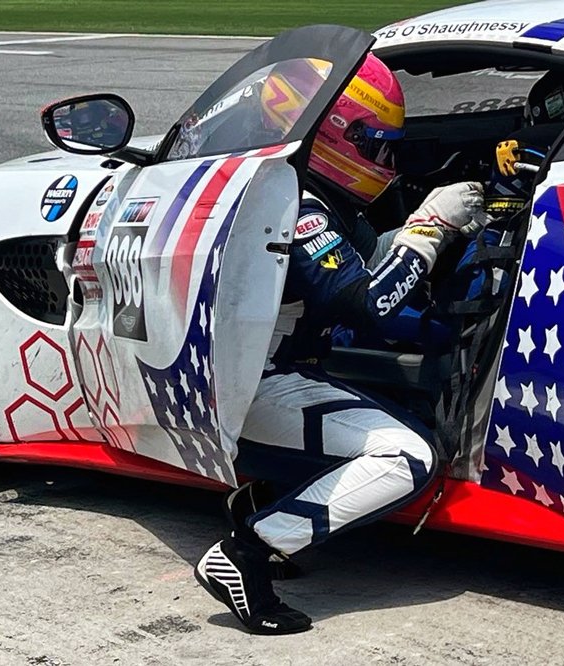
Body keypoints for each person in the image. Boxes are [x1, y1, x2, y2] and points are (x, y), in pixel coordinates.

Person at [194, 54, 489, 635]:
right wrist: (432, 227)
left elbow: (366, 272)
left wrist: (419, 245)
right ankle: (248, 550)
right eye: (377, 146)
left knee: (393, 411)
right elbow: (367, 304)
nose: (386, 162)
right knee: (409, 456)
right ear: (338, 136)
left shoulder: (298, 192)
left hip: (237, 379)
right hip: (255, 385)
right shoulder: (296, 207)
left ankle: (256, 504)